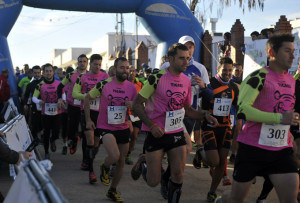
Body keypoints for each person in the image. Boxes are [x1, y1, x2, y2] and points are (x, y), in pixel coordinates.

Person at [132, 43, 218, 203]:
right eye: (181, 58)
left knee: (178, 174)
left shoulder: (186, 81)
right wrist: (151, 125)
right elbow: (137, 103)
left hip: (176, 131)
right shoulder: (156, 77)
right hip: (156, 132)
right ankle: (144, 163)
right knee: (153, 181)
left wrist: (204, 114)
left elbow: (187, 109)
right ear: (170, 59)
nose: (186, 62)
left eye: (188, 58)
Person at [218, 33, 299, 203]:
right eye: (287, 51)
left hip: (280, 150)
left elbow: (284, 110)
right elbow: (242, 110)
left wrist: (287, 129)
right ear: (272, 53)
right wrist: (279, 119)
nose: (293, 55)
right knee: (236, 199)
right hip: (252, 148)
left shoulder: (291, 81)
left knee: (291, 198)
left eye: (293, 51)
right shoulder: (258, 77)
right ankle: (223, 199)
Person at [84, 57, 137, 202]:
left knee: (121, 161)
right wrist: (88, 120)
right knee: (114, 155)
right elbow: (87, 99)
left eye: (127, 68)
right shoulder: (104, 84)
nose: (125, 71)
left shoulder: (132, 87)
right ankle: (105, 166)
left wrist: (133, 106)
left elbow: (139, 109)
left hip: (123, 127)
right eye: (122, 68)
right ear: (114, 69)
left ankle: (112, 190)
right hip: (105, 126)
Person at [192, 57, 239, 202]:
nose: (227, 73)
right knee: (213, 161)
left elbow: (237, 108)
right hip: (209, 125)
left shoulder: (234, 87)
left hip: (225, 127)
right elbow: (200, 97)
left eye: (230, 70)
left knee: (221, 161)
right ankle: (200, 151)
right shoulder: (209, 82)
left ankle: (211, 192)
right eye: (224, 70)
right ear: (218, 69)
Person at [72, 54, 109, 184]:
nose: (97, 67)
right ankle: (90, 170)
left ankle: (88, 159)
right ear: (90, 64)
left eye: (99, 64)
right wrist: (88, 97)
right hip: (86, 112)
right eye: (95, 64)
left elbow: (109, 92)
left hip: (101, 113)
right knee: (90, 139)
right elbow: (74, 94)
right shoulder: (82, 77)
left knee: (95, 144)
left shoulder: (105, 77)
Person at [57, 54, 88, 162]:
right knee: (72, 129)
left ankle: (85, 159)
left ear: (87, 63)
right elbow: (60, 86)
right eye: (80, 61)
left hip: (86, 106)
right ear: (77, 63)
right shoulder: (71, 75)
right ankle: (74, 141)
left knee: (86, 131)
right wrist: (60, 99)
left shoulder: (90, 75)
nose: (82, 63)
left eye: (84, 61)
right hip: (72, 105)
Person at [33, 64, 63, 160]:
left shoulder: (59, 83)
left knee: (56, 131)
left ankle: (53, 139)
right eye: (47, 71)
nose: (49, 73)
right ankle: (46, 152)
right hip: (45, 113)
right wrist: (39, 101)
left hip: (57, 112)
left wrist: (61, 100)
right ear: (43, 73)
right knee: (46, 133)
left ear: (53, 72)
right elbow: (33, 97)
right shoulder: (40, 85)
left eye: (50, 71)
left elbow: (63, 94)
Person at [125, 66, 143, 165]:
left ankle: (128, 154)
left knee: (135, 136)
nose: (132, 73)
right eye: (130, 71)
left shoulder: (140, 84)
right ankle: (124, 153)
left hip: (136, 113)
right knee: (130, 131)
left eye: (133, 71)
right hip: (126, 113)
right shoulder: (124, 83)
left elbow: (144, 97)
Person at [23, 65, 43, 139]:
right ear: (32, 73)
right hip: (35, 106)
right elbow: (26, 95)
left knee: (45, 123)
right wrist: (25, 104)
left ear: (40, 72)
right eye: (35, 73)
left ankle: (45, 138)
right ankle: (35, 140)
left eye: (38, 73)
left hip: (45, 105)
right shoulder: (30, 84)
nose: (37, 74)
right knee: (35, 123)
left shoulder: (45, 81)